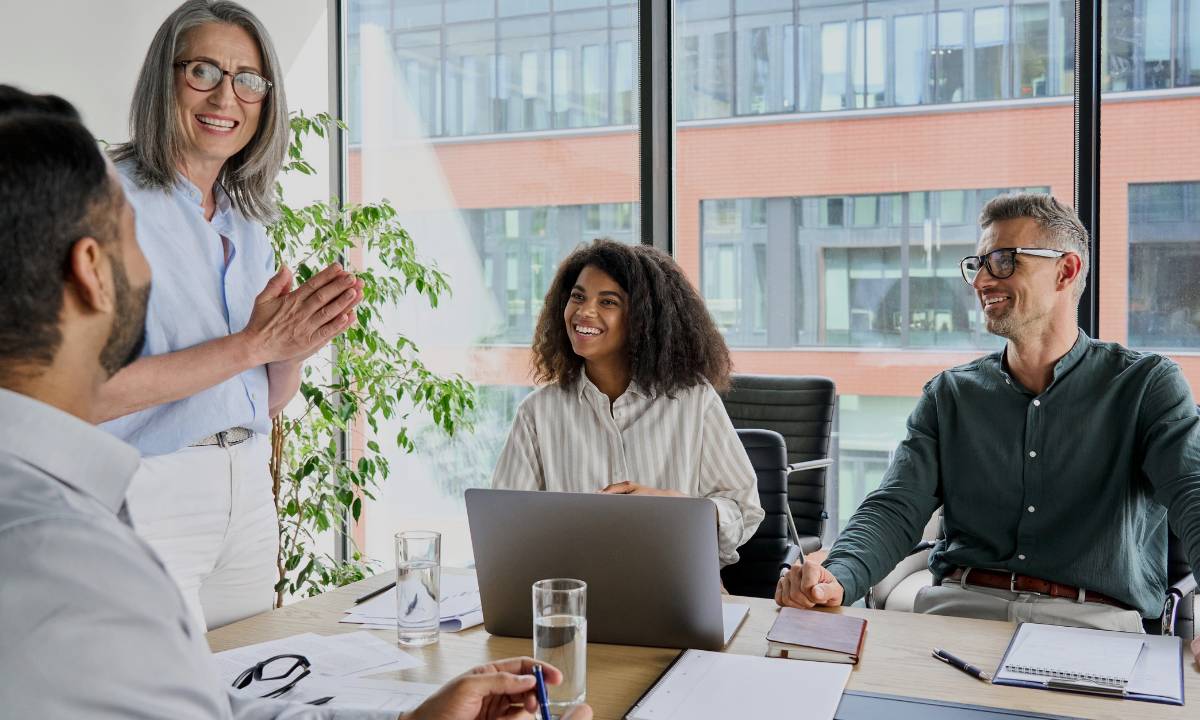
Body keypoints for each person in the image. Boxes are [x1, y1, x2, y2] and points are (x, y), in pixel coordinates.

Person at [0, 84, 591, 720]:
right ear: (91, 270)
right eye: (134, 235)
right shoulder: (68, 562)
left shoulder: (59, 522)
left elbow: (202, 704)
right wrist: (255, 342)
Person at [777, 192, 1200, 693]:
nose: (981, 280)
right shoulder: (950, 394)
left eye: (1002, 261)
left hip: (1095, 630)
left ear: (1065, 271)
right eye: (977, 263)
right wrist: (835, 575)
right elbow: (894, 509)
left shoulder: (1146, 386)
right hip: (955, 620)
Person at [96, 0, 364, 632]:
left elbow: (261, 401)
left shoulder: (250, 219)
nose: (227, 96)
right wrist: (254, 342)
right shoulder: (101, 199)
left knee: (249, 685)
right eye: (204, 73)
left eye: (249, 79)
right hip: (147, 490)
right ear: (165, 79)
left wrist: (292, 345)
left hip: (245, 490)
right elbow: (78, 396)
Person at [491, 239, 765, 567]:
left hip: (676, 586)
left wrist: (679, 507)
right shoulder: (537, 413)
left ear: (643, 319)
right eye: (578, 296)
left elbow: (743, 508)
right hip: (573, 592)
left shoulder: (694, 401)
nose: (584, 312)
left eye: (608, 301)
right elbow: (503, 528)